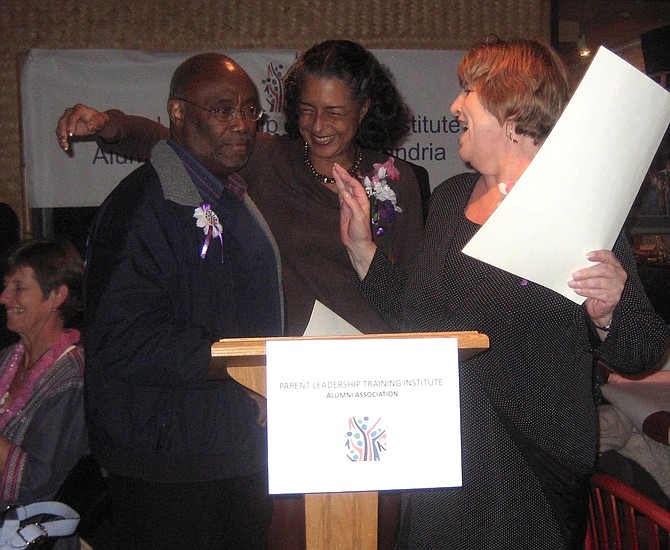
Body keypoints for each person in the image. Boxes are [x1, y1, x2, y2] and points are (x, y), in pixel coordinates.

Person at [57, 41, 425, 548]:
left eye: (336, 112)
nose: (319, 125)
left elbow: (407, 297)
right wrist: (110, 126)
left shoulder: (399, 182)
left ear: (364, 111)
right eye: (307, 110)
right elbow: (181, 141)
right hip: (282, 392)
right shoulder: (267, 160)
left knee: (364, 532)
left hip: (367, 392)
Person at [334, 38, 668, 549]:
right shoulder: (448, 201)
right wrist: (363, 250)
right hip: (441, 464)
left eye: (468, 90)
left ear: (512, 113)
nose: (453, 105)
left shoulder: (575, 212)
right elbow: (416, 318)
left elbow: (641, 351)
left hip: (526, 477)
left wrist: (610, 309)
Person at [82, 53, 284, 549]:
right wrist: (247, 367)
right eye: (221, 109)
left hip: (229, 450)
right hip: (170, 466)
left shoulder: (228, 194)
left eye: (249, 110)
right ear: (177, 111)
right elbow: (120, 337)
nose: (240, 124)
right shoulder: (143, 205)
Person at [0, 240, 87, 548]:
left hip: (28, 536)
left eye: (18, 288)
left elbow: (36, 483)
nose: (4, 298)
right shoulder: (7, 359)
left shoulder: (72, 377)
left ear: (57, 296)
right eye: (6, 286)